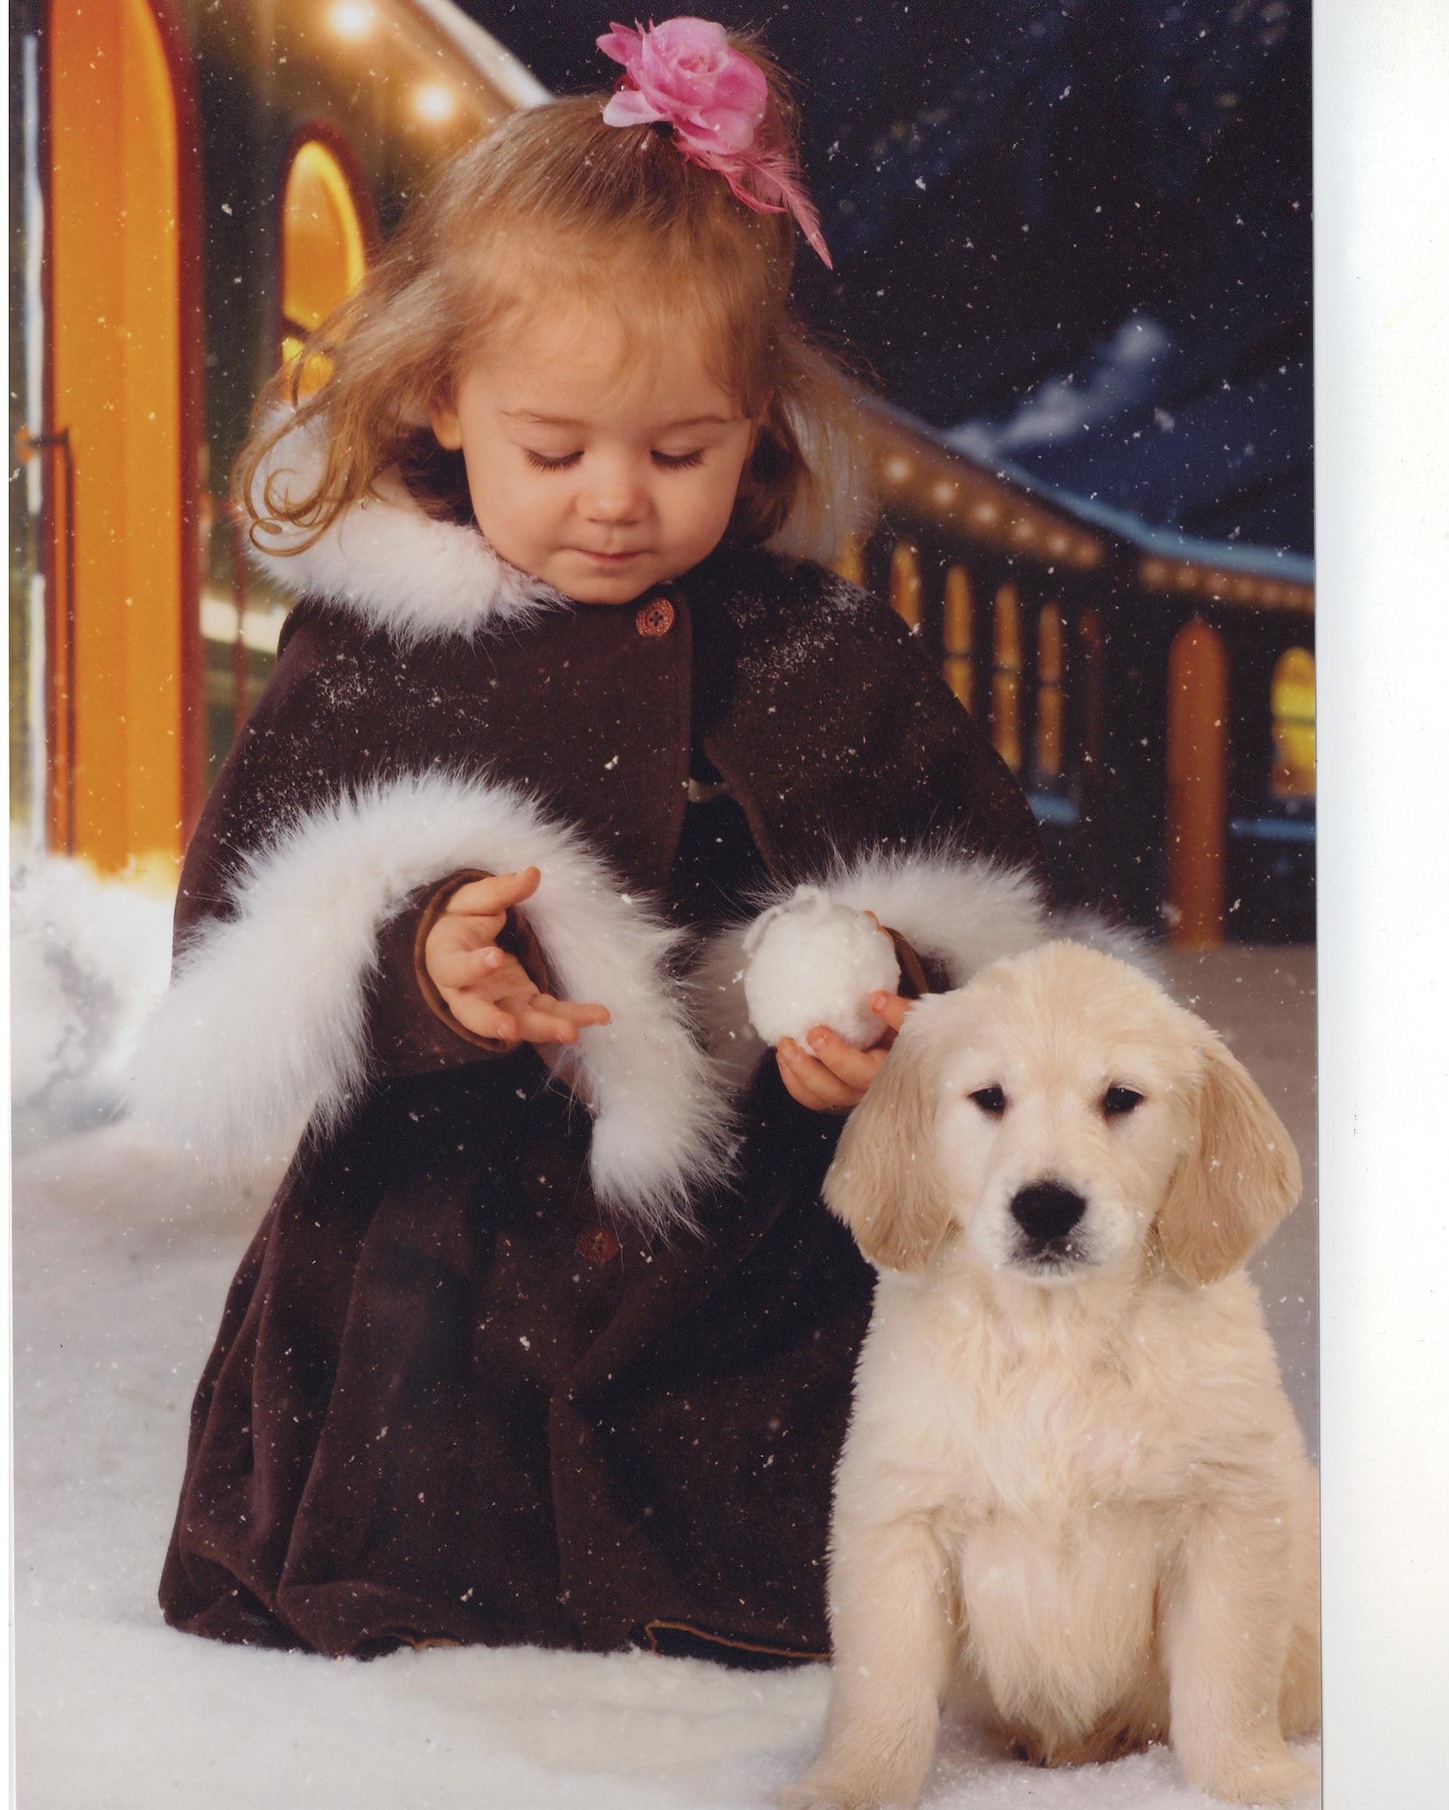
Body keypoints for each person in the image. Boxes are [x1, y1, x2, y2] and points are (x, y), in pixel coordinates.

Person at [127, 19, 1050, 1666]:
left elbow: (999, 915)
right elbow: (239, 941)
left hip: (741, 1256)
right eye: (555, 450)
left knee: (787, 1488)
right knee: (430, 1476)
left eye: (680, 451)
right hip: (435, 1251)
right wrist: (417, 969)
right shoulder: (376, 651)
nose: (617, 497)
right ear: (442, 398)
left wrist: (890, 1006)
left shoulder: (822, 647)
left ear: (757, 423)